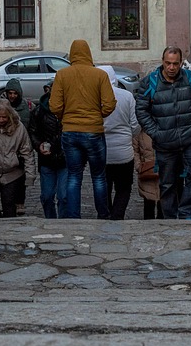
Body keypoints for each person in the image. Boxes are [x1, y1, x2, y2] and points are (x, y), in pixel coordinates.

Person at [135, 45, 191, 220]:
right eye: (168, 63)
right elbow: (141, 110)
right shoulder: (150, 82)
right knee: (167, 183)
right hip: (165, 141)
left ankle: (186, 212)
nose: (171, 68)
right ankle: (170, 218)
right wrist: (156, 133)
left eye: (175, 64)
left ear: (181, 63)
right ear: (162, 62)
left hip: (190, 138)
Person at [49, 39, 116, 218]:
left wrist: (65, 117)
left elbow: (54, 106)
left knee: (74, 176)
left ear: (72, 55)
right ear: (89, 54)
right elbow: (109, 104)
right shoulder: (99, 75)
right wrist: (97, 115)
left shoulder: (62, 75)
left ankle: (73, 217)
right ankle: (103, 215)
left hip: (70, 132)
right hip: (94, 131)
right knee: (99, 176)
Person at [101, 66, 140, 220]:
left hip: (102, 151)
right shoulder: (127, 96)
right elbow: (135, 125)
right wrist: (129, 135)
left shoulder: (94, 96)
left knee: (104, 187)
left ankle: (107, 214)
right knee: (124, 188)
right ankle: (117, 215)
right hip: (124, 152)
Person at [0, 78, 34, 215]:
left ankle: (19, 202)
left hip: (22, 147)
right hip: (5, 148)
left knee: (21, 178)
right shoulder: (1, 107)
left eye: (15, 93)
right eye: (10, 93)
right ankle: (7, 202)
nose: (12, 96)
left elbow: (33, 127)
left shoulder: (28, 107)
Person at [28, 83, 67, 218]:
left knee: (64, 197)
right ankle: (51, 222)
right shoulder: (39, 111)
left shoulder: (69, 109)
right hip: (46, 160)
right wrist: (38, 145)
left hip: (65, 159)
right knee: (47, 196)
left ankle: (64, 223)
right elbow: (32, 132)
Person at [134, 126, 162, 219]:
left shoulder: (164, 127)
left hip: (163, 170)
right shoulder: (140, 131)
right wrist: (139, 166)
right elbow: (135, 150)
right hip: (146, 172)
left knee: (163, 200)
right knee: (148, 201)